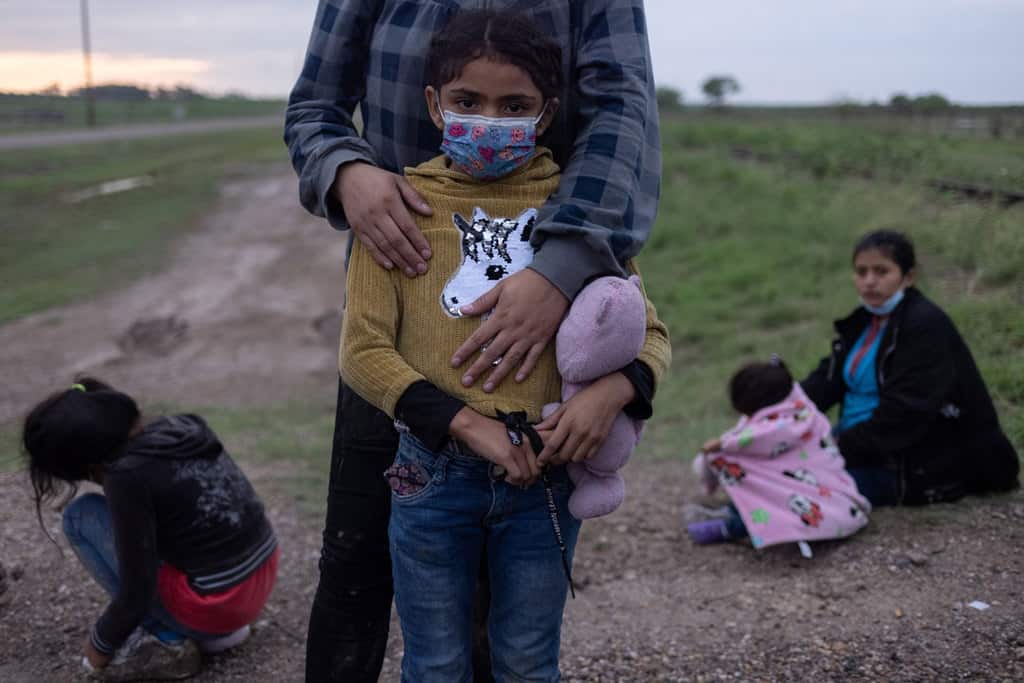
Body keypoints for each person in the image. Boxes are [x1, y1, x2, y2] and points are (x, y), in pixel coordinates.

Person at [284, 1, 661, 680]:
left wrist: (561, 271)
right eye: (466, 101)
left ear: (543, 113)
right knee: (359, 571)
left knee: (517, 641)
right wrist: (349, 172)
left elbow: (622, 115)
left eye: (514, 105)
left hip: (554, 319)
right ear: (437, 103)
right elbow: (315, 108)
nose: (488, 120)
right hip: (404, 336)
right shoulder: (410, 202)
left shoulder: (557, 201)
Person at [22, 378, 278, 682]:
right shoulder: (184, 427)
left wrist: (96, 651)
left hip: (215, 608)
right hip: (261, 577)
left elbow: (137, 592)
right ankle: (223, 630)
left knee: (81, 515)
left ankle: (169, 638)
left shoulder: (126, 475)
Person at [801, 230, 1019, 505]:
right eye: (861, 271)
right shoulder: (864, 321)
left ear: (908, 277)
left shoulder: (925, 325)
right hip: (857, 443)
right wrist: (780, 408)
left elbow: (904, 413)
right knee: (775, 465)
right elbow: (827, 379)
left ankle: (734, 526)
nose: (869, 281)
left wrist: (836, 449)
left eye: (881, 271)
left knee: (800, 485)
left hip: (908, 464)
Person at [688, 359, 870, 549]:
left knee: (762, 509)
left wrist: (720, 447)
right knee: (761, 495)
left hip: (820, 514)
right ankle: (729, 512)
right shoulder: (804, 411)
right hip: (844, 508)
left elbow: (749, 441)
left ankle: (728, 527)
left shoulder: (771, 431)